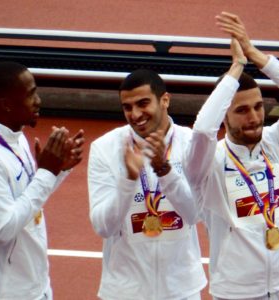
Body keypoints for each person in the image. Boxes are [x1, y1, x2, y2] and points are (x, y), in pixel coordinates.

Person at [183, 12, 279, 299]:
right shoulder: (207, 162)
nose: (254, 117)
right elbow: (204, 129)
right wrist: (236, 68)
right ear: (224, 115)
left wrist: (254, 53)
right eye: (241, 110)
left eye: (258, 107)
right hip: (237, 292)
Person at [0, 61, 85, 299]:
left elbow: (27, 204)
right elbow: (4, 228)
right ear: (6, 105)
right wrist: (46, 173)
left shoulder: (16, 137)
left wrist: (58, 170)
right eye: (30, 95)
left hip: (34, 287)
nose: (38, 101)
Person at [87, 69, 207, 300]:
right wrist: (128, 181)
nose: (135, 114)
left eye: (143, 103)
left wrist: (165, 171)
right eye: (127, 107)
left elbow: (196, 214)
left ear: (165, 100)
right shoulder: (105, 148)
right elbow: (103, 227)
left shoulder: (191, 143)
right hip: (125, 291)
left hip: (181, 289)